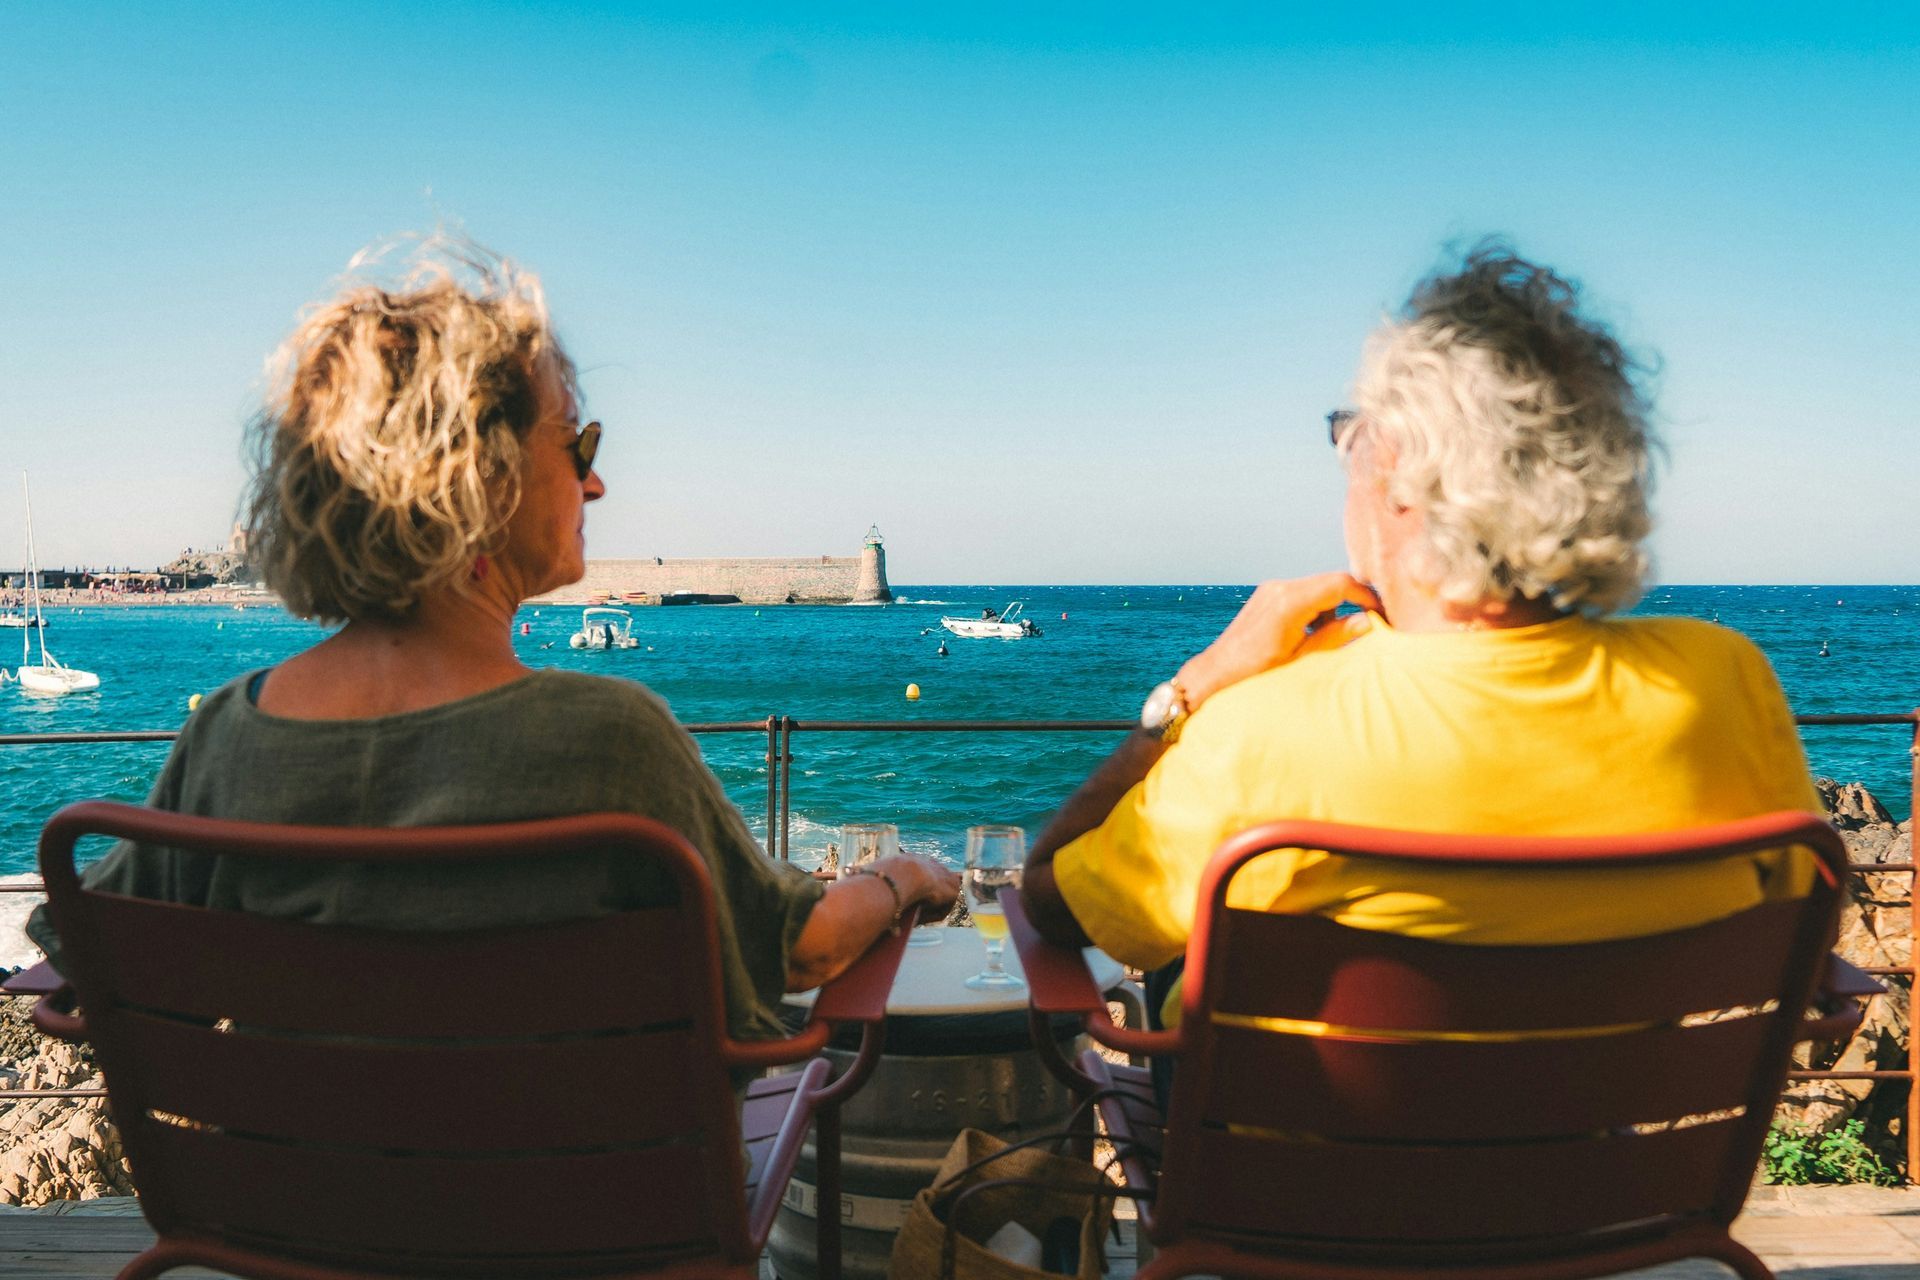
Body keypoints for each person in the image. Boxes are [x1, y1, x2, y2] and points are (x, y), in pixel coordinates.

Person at [26, 239, 957, 1060]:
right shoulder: (609, 739)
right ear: (482, 478)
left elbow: (85, 948)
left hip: (297, 1225)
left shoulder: (227, 739)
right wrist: (907, 873)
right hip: (591, 1232)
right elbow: (804, 948)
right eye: (578, 441)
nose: (595, 482)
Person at [1020, 243, 1821, 1043]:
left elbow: (1051, 908)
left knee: (1179, 948)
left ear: (1400, 478)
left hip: (1291, 1167)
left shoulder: (1264, 733)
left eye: (1350, 438)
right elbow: (1802, 915)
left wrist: (1193, 690)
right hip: (1613, 1161)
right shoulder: (1722, 681)